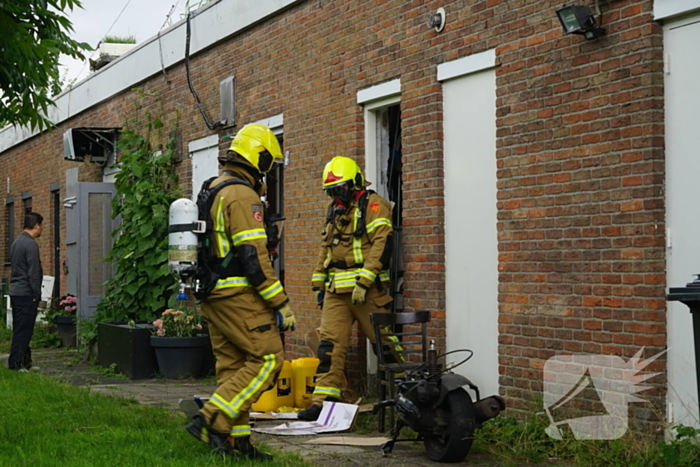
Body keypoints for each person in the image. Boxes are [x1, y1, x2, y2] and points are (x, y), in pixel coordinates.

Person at [186, 124, 295, 460]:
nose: (268, 170)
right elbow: (253, 257)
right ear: (258, 157)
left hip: (212, 293)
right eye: (268, 162)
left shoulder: (213, 187)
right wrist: (280, 303)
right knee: (267, 359)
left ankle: (238, 443)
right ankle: (211, 419)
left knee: (233, 367)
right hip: (237, 295)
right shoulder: (242, 195)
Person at [297, 156, 394, 421]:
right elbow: (326, 247)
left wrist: (365, 282)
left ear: (355, 184)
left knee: (384, 343)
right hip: (336, 292)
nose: (336, 196)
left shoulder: (374, 205)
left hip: (367, 291)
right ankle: (322, 402)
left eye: (339, 190)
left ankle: (404, 394)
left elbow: (381, 246)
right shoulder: (336, 210)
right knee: (329, 347)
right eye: (331, 191)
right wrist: (319, 281)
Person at [8, 212, 44, 372]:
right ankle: (16, 363)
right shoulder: (30, 244)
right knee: (25, 329)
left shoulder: (16, 242)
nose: (42, 229)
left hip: (16, 291)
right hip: (26, 292)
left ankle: (25, 361)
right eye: (41, 225)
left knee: (20, 327)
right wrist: (36, 294)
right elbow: (33, 271)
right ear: (36, 225)